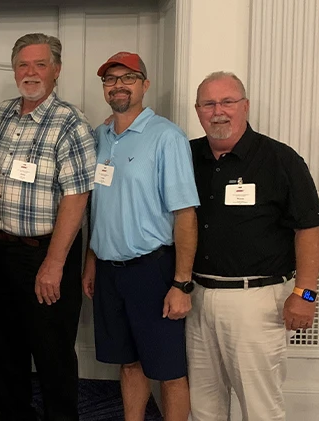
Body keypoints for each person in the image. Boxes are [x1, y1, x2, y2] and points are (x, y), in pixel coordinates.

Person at [187, 71, 319, 421]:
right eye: (209, 103)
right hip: (197, 298)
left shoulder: (280, 160)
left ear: (245, 106)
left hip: (256, 303)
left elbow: (309, 229)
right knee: (204, 406)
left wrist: (306, 295)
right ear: (198, 110)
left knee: (260, 406)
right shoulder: (186, 156)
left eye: (228, 102)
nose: (218, 111)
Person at [0, 33, 96, 421]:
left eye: (40, 64)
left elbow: (77, 196)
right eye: (23, 65)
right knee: (3, 348)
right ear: (14, 70)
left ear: (57, 70)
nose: (30, 73)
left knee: (52, 352)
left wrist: (54, 263)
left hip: (45, 254)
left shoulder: (70, 122)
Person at [82, 52, 199, 421]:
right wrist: (91, 261)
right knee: (128, 363)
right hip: (108, 271)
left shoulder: (167, 137)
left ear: (144, 85)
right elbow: (99, 208)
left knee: (168, 371)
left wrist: (181, 283)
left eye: (128, 78)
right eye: (110, 79)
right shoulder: (100, 136)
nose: (118, 85)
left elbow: (185, 215)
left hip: (153, 270)